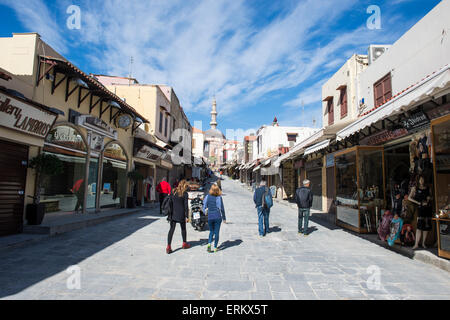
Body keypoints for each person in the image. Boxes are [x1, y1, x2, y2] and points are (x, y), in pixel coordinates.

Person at [166, 180, 191, 254]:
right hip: (181, 214)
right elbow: (186, 206)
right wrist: (187, 216)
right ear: (185, 186)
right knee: (183, 229)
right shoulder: (185, 194)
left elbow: (170, 202)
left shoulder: (173, 191)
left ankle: (168, 246)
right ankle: (184, 243)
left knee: (171, 229)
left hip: (173, 213)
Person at [203, 184, 227, 253]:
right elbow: (222, 208)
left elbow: (204, 206)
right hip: (217, 216)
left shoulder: (207, 197)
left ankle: (209, 243)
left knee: (211, 231)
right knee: (216, 232)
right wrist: (224, 218)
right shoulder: (219, 197)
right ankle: (215, 247)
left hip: (210, 216)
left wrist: (205, 213)